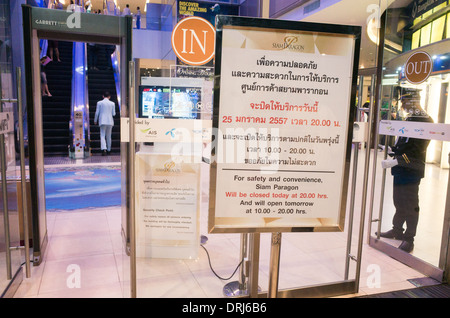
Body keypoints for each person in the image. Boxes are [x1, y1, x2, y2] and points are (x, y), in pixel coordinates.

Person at [379, 87, 433, 253]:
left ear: (413, 101)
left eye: (404, 101)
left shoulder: (425, 121)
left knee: (410, 205)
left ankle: (409, 239)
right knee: (399, 202)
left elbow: (417, 151)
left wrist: (398, 160)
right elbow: (404, 142)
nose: (402, 104)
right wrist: (393, 150)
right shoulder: (410, 118)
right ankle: (397, 231)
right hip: (401, 169)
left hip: (411, 169)